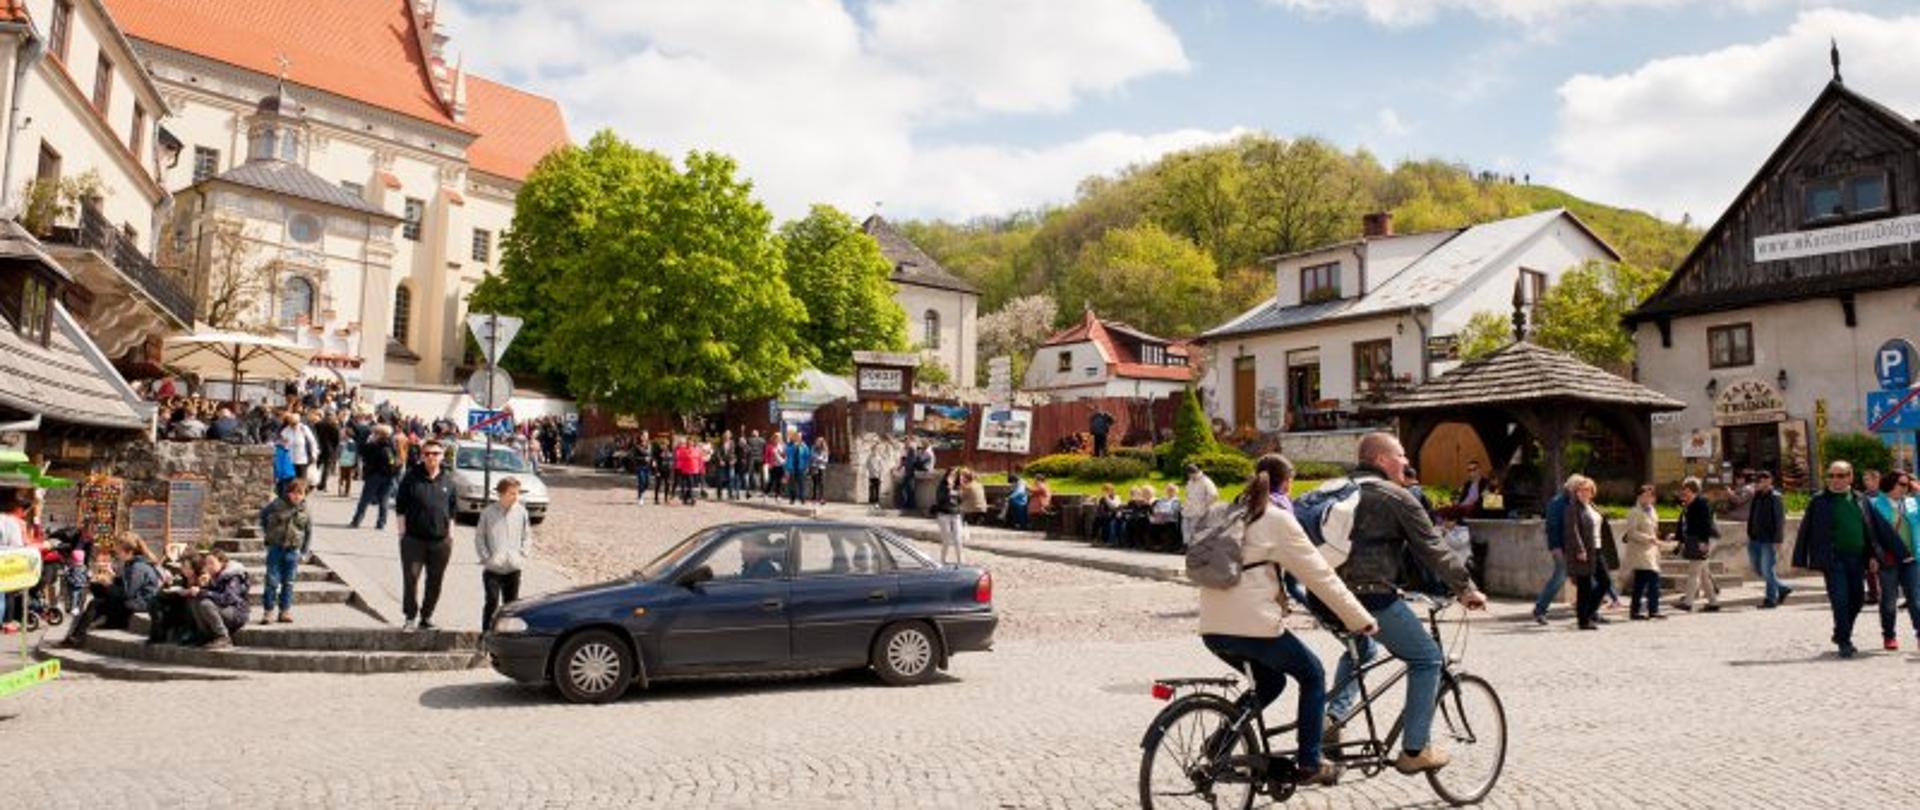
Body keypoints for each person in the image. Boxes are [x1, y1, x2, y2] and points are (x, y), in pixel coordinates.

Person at [1199, 454, 1376, 787]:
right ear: (1288, 483)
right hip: (1252, 626)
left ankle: (1220, 743)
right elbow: (1320, 575)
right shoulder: (1277, 519)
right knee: (1312, 674)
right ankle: (1310, 762)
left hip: (1211, 626)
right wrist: (1359, 618)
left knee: (1271, 683)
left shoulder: (1225, 513)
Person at [1323, 433, 1487, 775]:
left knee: (1362, 649)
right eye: (1400, 455)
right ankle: (1415, 749)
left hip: (1326, 596)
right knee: (1427, 658)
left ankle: (1331, 718)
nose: (1407, 462)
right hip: (1369, 595)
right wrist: (1466, 589)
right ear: (1381, 460)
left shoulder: (1333, 489)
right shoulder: (1395, 496)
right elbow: (1433, 547)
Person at [1793, 461, 1906, 657]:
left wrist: (1874, 555)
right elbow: (1805, 530)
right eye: (1831, 475)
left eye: (1841, 475)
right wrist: (1801, 558)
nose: (1835, 480)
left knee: (1857, 599)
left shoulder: (1861, 499)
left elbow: (1873, 530)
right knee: (1840, 600)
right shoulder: (1819, 501)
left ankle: (1840, 633)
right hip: (1833, 558)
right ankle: (1844, 641)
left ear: (1850, 477)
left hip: (1857, 558)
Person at [394, 440, 457, 631]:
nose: (431, 457)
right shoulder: (411, 478)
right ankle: (410, 617)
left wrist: (450, 535)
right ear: (422, 456)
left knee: (435, 581)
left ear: (442, 456)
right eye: (427, 453)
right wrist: (402, 534)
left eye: (435, 453)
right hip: (414, 540)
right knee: (411, 579)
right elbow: (400, 507)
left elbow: (452, 510)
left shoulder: (448, 481)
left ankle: (426, 616)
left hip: (440, 541)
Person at [62, 534, 162, 647]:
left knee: (95, 604)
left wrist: (108, 584)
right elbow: (127, 586)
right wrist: (110, 579)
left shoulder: (137, 567)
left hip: (141, 603)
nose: (117, 554)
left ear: (129, 552)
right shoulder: (133, 564)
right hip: (135, 601)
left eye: (119, 551)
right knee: (96, 588)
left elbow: (127, 594)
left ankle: (76, 638)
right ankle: (108, 623)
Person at [1869, 470, 1920, 651]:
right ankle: (1889, 635)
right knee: (1889, 601)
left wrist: (1918, 492)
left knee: (1915, 599)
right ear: (1890, 484)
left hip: (1912, 558)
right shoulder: (1875, 504)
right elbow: (1871, 534)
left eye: (1907, 485)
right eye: (1902, 484)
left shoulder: (1912, 502)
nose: (1905, 488)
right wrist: (1873, 556)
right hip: (1888, 559)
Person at [475, 477, 534, 631]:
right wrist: (486, 558)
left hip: (513, 567)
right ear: (501, 494)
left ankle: (507, 635)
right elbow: (480, 537)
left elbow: (527, 536)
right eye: (512, 493)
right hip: (493, 568)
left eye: (517, 493)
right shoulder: (488, 512)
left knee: (511, 605)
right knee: (492, 601)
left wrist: (522, 555)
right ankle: (486, 633)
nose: (516, 497)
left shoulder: (521, 512)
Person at [1561, 475, 1614, 631]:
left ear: (1592, 492)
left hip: (1597, 548)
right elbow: (1572, 530)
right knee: (1584, 586)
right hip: (1584, 550)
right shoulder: (1573, 508)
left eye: (1587, 490)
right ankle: (1583, 620)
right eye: (1581, 490)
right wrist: (1580, 549)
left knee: (1605, 582)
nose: (1584, 493)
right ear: (1576, 492)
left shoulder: (1592, 506)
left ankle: (1588, 613)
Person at [259, 479, 312, 624]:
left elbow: (308, 531)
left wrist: (304, 551)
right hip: (276, 548)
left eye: (300, 493)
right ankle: (268, 611)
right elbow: (263, 515)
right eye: (294, 493)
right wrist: (268, 533)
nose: (296, 496)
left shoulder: (305, 510)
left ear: (304, 495)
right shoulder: (277, 504)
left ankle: (285, 611)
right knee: (271, 581)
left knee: (288, 582)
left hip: (293, 551)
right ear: (288, 493)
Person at [1671, 478, 1720, 613]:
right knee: (1703, 574)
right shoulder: (1688, 504)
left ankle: (1688, 603)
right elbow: (1684, 525)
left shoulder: (1701, 503)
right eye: (1683, 490)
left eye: (1686, 490)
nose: (1683, 492)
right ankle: (1713, 602)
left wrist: (1704, 542)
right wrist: (1678, 539)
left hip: (1704, 539)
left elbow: (1706, 524)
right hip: (1696, 540)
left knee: (1694, 572)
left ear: (1693, 491)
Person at [1746, 470, 1791, 608]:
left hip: (1768, 539)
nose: (1760, 483)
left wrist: (1778, 539)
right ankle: (1782, 588)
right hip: (1754, 538)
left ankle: (1770, 599)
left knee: (1767, 570)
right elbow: (1752, 515)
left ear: (1770, 481)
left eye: (1763, 480)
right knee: (1758, 569)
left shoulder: (1775, 497)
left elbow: (1779, 519)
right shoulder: (1757, 496)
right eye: (1758, 480)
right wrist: (1749, 533)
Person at [190, 549, 250, 650]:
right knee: (195, 601)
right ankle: (206, 636)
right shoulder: (213, 576)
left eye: (212, 563)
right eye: (207, 563)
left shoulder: (233, 576)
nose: (209, 566)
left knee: (205, 604)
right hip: (222, 609)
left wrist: (204, 592)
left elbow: (228, 598)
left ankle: (223, 637)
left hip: (236, 611)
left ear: (222, 562)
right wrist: (203, 586)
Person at [1531, 478, 1571, 625]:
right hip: (1561, 547)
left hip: (1574, 548)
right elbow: (1552, 527)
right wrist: (1555, 547)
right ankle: (1540, 609)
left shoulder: (1575, 502)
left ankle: (1590, 611)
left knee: (1590, 579)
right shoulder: (1557, 502)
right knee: (1559, 577)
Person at [1622, 484, 1665, 620]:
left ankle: (1640, 610)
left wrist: (1658, 540)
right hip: (1640, 551)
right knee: (1652, 579)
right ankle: (1650, 609)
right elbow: (1632, 532)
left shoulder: (1653, 511)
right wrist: (1648, 538)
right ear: (1639, 497)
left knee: (1641, 582)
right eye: (1644, 495)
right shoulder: (1634, 512)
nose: (1647, 498)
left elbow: (1654, 530)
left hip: (1651, 551)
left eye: (1650, 496)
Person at [350, 424, 398, 529]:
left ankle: (357, 520)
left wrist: (368, 441)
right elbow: (395, 460)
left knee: (365, 499)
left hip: (374, 475)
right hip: (388, 476)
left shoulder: (373, 446)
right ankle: (381, 523)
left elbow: (362, 452)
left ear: (379, 434)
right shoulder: (391, 446)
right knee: (384, 500)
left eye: (375, 433)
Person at [1182, 463, 1220, 546]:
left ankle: (1192, 546)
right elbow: (1187, 494)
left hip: (1199, 509)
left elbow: (1214, 495)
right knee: (1185, 527)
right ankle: (1186, 545)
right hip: (1188, 508)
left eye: (1190, 473)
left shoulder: (1206, 481)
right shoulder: (1190, 481)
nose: (1189, 475)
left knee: (1194, 528)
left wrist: (1205, 504)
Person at [933, 468, 965, 565]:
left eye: (955, 475)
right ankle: (942, 560)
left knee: (958, 539)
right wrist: (949, 488)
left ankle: (961, 561)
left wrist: (959, 491)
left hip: (956, 514)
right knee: (946, 540)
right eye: (951, 475)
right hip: (944, 514)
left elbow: (960, 500)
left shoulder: (958, 486)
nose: (953, 477)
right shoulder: (942, 486)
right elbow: (940, 499)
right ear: (947, 475)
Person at [313, 411, 342, 492]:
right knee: (326, 468)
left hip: (319, 447)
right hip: (330, 449)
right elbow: (337, 440)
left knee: (316, 466)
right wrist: (335, 449)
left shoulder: (318, 424)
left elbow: (315, 435)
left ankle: (312, 481)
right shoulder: (334, 426)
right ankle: (323, 484)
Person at [1150, 483, 1183, 551]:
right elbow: (1156, 507)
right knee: (1152, 524)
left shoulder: (1176, 501)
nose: (1169, 492)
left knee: (1168, 526)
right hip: (1160, 518)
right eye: (1168, 490)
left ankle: (1167, 545)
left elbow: (1173, 511)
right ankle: (1157, 544)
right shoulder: (1162, 499)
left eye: (1171, 490)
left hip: (1171, 519)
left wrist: (1163, 513)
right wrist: (1157, 512)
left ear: (1175, 492)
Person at [784, 431, 811, 505]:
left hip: (801, 467)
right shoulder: (790, 445)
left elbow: (807, 457)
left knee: (801, 484)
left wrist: (807, 467)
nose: (798, 438)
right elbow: (787, 455)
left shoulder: (804, 446)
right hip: (791, 467)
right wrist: (786, 468)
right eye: (797, 436)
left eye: (800, 436)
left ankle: (802, 499)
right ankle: (792, 499)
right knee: (792, 485)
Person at [864, 443, 888, 510]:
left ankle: (876, 501)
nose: (874, 451)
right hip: (871, 475)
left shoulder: (879, 458)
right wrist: (867, 473)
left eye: (875, 450)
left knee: (877, 489)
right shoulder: (869, 458)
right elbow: (867, 466)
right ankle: (871, 501)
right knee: (871, 489)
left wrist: (881, 476)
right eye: (873, 450)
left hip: (877, 475)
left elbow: (881, 467)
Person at [745, 430, 768, 497]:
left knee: (750, 474)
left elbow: (747, 450)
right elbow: (765, 450)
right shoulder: (763, 440)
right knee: (761, 474)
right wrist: (764, 458)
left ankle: (751, 489)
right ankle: (763, 490)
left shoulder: (749, 440)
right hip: (760, 459)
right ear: (758, 434)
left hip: (751, 459)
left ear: (752, 434)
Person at [633, 431, 653, 504]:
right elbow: (634, 457)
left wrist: (653, 461)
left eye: (647, 436)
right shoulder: (637, 446)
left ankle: (641, 492)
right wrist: (643, 459)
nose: (645, 437)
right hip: (640, 466)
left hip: (647, 466)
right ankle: (640, 497)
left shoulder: (649, 445)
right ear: (641, 437)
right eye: (644, 436)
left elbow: (651, 455)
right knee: (642, 481)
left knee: (647, 482)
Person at [810, 436, 830, 504]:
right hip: (815, 467)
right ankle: (814, 498)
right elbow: (812, 456)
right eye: (817, 441)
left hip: (822, 467)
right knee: (815, 483)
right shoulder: (813, 448)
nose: (818, 443)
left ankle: (822, 498)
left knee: (821, 483)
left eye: (819, 442)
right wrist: (820, 459)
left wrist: (819, 459)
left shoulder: (825, 449)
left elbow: (826, 459)